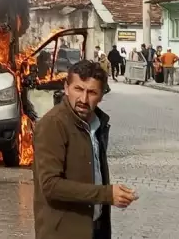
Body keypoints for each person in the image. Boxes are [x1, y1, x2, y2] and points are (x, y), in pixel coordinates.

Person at [33, 60, 138, 239]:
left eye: (91, 92)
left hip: (94, 229)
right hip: (63, 233)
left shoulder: (97, 124)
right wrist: (107, 194)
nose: (83, 99)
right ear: (66, 88)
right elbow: (50, 186)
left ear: (101, 96)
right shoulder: (53, 124)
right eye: (78, 89)